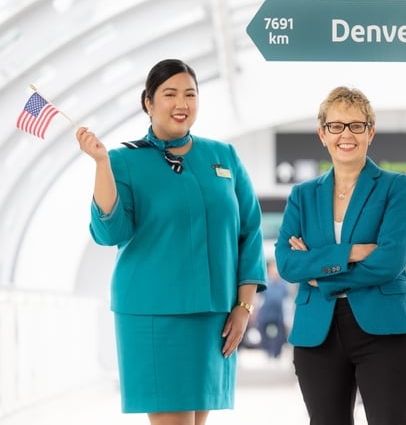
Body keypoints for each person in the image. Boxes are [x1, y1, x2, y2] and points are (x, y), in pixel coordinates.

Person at [75, 58, 267, 425]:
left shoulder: (222, 156)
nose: (182, 104)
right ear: (148, 102)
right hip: (154, 314)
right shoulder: (122, 161)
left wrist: (244, 306)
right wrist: (101, 165)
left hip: (214, 315)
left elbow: (250, 230)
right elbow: (109, 232)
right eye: (170, 94)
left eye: (190, 94)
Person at [273, 86, 406, 425]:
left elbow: (389, 262)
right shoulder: (303, 195)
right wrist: (352, 252)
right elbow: (286, 262)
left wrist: (318, 273)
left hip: (384, 329)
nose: (346, 134)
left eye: (356, 126)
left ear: (370, 132)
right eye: (336, 126)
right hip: (318, 333)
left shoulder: (394, 186)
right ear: (322, 133)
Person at [255, 259, 290, 359]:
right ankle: (267, 351)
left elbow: (286, 301)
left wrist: (288, 317)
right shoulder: (265, 282)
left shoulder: (283, 284)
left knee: (280, 336)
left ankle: (276, 353)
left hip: (278, 314)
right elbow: (259, 298)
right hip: (265, 313)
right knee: (263, 332)